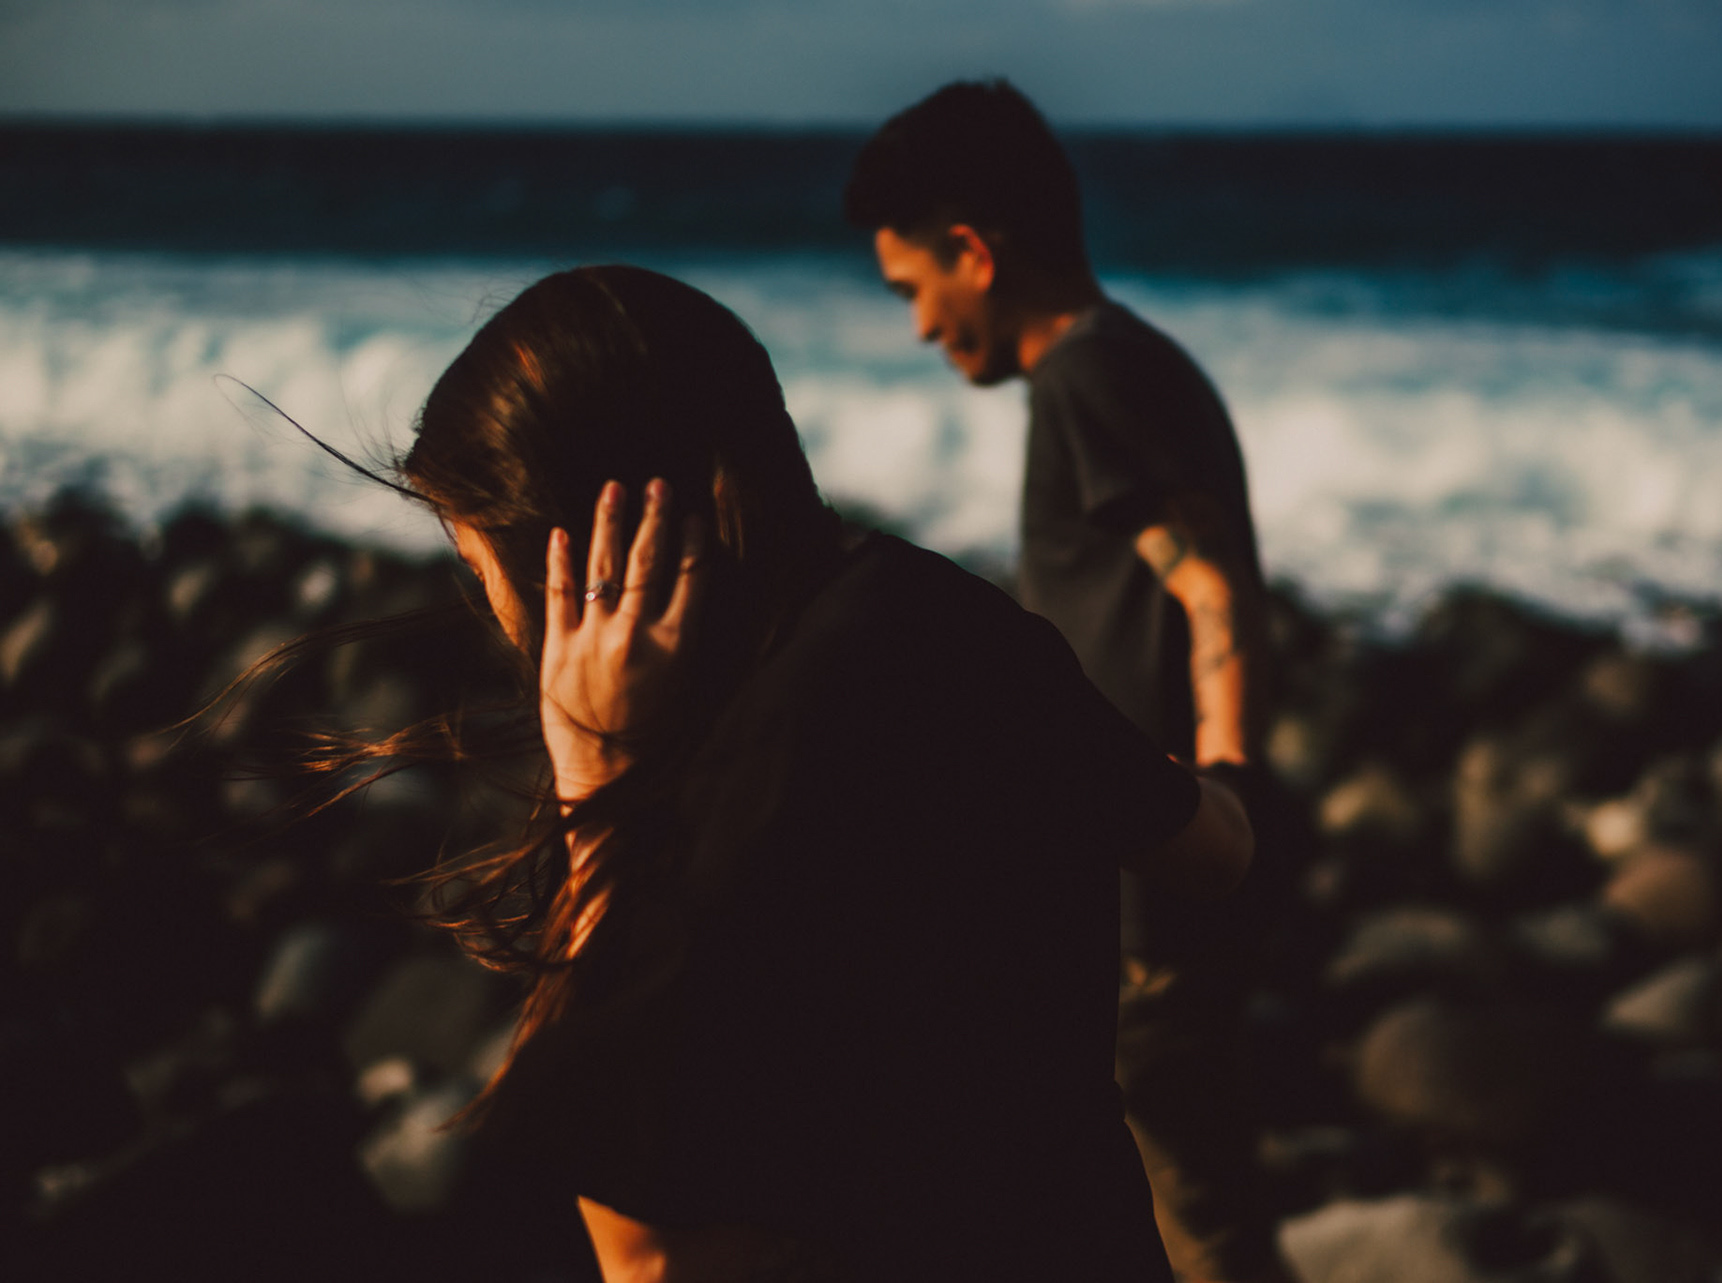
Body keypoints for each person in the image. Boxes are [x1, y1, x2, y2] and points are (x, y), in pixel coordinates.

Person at [380, 264, 1256, 1282]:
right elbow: (1215, 849)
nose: (499, 620)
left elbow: (646, 1250)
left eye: (489, 577)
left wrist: (593, 781)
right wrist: (1223, 758)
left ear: (585, 564)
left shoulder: (737, 770)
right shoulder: (953, 616)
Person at [844, 81, 1286, 1283]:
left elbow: (1213, 588)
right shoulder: (1125, 363)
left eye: (913, 289)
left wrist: (1227, 785)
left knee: (1194, 1213)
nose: (922, 328)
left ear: (972, 253)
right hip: (1158, 855)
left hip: (1153, 879)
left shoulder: (1092, 373)